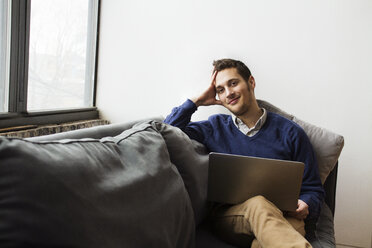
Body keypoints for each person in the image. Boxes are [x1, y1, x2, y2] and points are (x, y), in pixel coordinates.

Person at [164, 59, 324, 248]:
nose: (228, 93)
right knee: (259, 204)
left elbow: (313, 189)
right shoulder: (214, 127)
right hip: (231, 217)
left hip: (283, 215)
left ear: (251, 82)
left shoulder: (291, 133)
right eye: (220, 90)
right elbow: (166, 130)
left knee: (270, 239)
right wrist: (197, 101)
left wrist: (306, 203)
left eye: (233, 83)